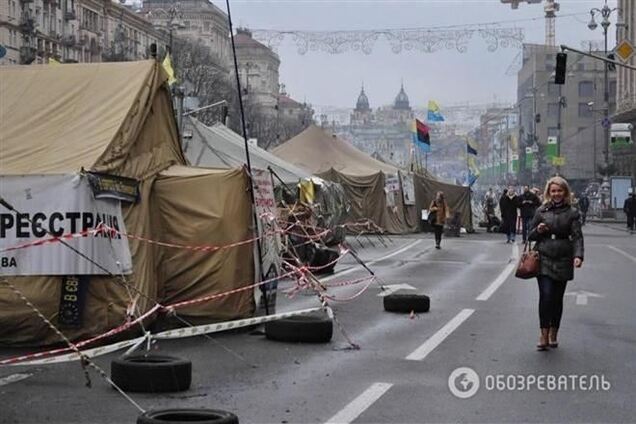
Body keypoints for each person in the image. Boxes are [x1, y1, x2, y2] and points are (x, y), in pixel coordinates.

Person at [528, 176, 584, 351]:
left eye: (560, 190)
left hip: (563, 258)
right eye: (553, 191)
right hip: (543, 256)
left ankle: (554, 332)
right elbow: (529, 236)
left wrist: (578, 256)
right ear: (548, 193)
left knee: (557, 299)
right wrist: (538, 230)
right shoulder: (541, 211)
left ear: (565, 192)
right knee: (546, 296)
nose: (556, 194)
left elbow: (577, 237)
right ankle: (543, 334)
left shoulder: (573, 212)